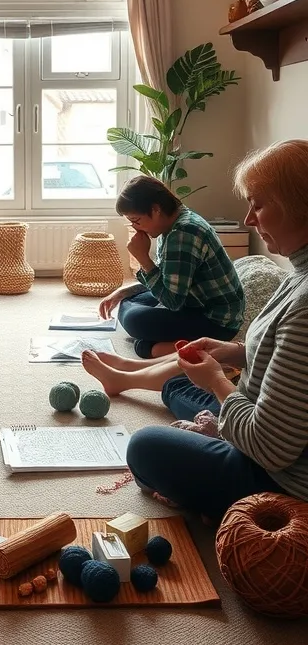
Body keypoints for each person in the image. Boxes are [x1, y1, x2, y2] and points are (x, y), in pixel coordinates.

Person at [115, 139, 308, 523]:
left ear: (299, 205)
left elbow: (269, 449)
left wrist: (219, 382)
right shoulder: (298, 274)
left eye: (259, 204)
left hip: (277, 478)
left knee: (145, 445)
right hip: (260, 420)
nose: (249, 219)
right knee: (169, 377)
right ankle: (140, 378)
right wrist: (235, 351)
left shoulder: (305, 304)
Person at [91, 175, 244, 360]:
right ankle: (158, 346)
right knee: (127, 303)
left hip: (215, 320)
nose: (135, 227)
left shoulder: (183, 233)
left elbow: (172, 301)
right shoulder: (173, 223)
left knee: (135, 321)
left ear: (155, 209)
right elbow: (166, 279)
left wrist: (142, 258)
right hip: (191, 300)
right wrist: (122, 293)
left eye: (136, 220)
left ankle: (204, 348)